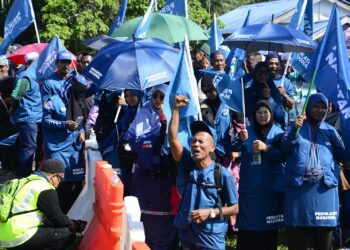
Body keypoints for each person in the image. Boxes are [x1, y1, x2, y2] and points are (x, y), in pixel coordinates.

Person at [168, 95, 238, 250]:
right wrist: (176, 110)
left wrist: (210, 213)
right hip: (187, 235)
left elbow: (234, 208)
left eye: (201, 141)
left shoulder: (223, 174)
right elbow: (173, 140)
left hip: (210, 239)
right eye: (193, 141)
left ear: (212, 147)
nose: (196, 144)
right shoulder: (188, 165)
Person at [281, 93, 350, 250]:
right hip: (299, 192)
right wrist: (294, 130)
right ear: (308, 107)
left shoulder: (331, 130)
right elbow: (284, 149)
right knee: (297, 240)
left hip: (324, 192)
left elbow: (343, 155)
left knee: (324, 242)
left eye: (323, 107)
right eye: (316, 106)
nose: (320, 110)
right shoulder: (295, 126)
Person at [123, 84, 178, 249]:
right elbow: (130, 138)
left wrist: (165, 122)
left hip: (165, 175)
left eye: (162, 97)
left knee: (165, 212)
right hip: (146, 174)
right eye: (155, 96)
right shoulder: (143, 112)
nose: (159, 101)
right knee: (145, 211)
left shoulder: (173, 113)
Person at [231, 100, 285, 250]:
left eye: (265, 112)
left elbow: (282, 156)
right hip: (251, 191)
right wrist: (240, 140)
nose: (262, 115)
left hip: (271, 191)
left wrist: (267, 148)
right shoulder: (246, 131)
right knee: (248, 229)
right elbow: (231, 148)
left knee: (268, 232)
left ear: (271, 114)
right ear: (254, 115)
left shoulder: (279, 133)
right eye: (259, 112)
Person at [0, 159, 86, 250]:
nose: (59, 184)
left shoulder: (19, 182)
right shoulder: (44, 188)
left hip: (2, 236)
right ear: (54, 176)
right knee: (67, 233)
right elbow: (58, 219)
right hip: (16, 237)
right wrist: (75, 224)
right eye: (60, 179)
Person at [42, 75, 90, 213]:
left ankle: (73, 217)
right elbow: (45, 121)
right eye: (78, 90)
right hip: (57, 147)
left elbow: (82, 120)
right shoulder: (52, 101)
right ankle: (57, 215)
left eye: (82, 90)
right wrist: (64, 125)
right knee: (59, 182)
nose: (80, 93)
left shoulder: (79, 100)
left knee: (75, 181)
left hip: (74, 147)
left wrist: (82, 131)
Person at [8, 52, 42, 178]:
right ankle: (23, 177)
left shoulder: (36, 76)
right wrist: (12, 110)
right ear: (30, 63)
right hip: (27, 119)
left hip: (35, 118)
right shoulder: (25, 77)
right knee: (28, 148)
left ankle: (26, 174)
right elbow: (15, 96)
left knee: (30, 148)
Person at [245, 62, 288, 129]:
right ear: (255, 74)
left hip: (273, 132)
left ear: (269, 75)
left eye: (265, 73)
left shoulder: (274, 91)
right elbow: (248, 113)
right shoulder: (248, 92)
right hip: (254, 130)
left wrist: (269, 98)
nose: (262, 76)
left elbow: (280, 115)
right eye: (259, 73)